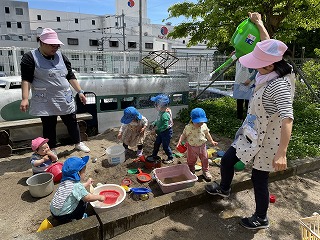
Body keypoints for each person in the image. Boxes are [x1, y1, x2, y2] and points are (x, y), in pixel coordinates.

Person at [205, 12, 296, 230]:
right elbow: (267, 44)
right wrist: (258, 23)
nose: (253, 66)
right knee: (227, 160)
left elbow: (287, 118)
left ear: (269, 65)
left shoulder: (280, 86)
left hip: (269, 140)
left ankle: (261, 218)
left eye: (256, 63)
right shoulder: (272, 65)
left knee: (259, 179)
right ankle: (225, 188)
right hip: (252, 130)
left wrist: (282, 152)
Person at [20, 28, 90, 153]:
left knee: (71, 121)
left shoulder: (61, 56)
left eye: (57, 45)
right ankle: (51, 148)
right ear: (41, 42)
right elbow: (26, 79)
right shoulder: (30, 57)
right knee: (49, 125)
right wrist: (25, 98)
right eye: (52, 45)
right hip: (45, 99)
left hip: (64, 96)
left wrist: (80, 92)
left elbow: (70, 76)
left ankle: (78, 142)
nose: (55, 48)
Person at [50, 156, 105, 224]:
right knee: (83, 202)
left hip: (54, 212)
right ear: (78, 173)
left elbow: (74, 189)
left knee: (79, 196)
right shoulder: (76, 186)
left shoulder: (65, 182)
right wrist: (100, 197)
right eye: (84, 171)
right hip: (64, 216)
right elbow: (88, 198)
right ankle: (79, 217)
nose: (85, 173)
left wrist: (87, 183)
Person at [176, 108, 218, 181]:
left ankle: (205, 171)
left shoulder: (204, 125)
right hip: (192, 147)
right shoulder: (188, 127)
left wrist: (212, 141)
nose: (200, 124)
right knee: (191, 160)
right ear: (192, 120)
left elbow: (207, 134)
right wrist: (179, 142)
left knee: (205, 159)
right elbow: (183, 135)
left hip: (202, 146)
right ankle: (191, 170)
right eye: (198, 122)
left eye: (202, 122)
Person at [150, 94, 174, 164]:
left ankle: (170, 157)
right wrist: (154, 124)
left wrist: (156, 130)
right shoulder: (160, 112)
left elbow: (165, 126)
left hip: (166, 133)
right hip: (161, 132)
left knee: (165, 146)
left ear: (160, 105)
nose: (155, 105)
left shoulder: (165, 115)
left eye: (156, 104)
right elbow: (158, 120)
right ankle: (154, 155)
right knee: (156, 143)